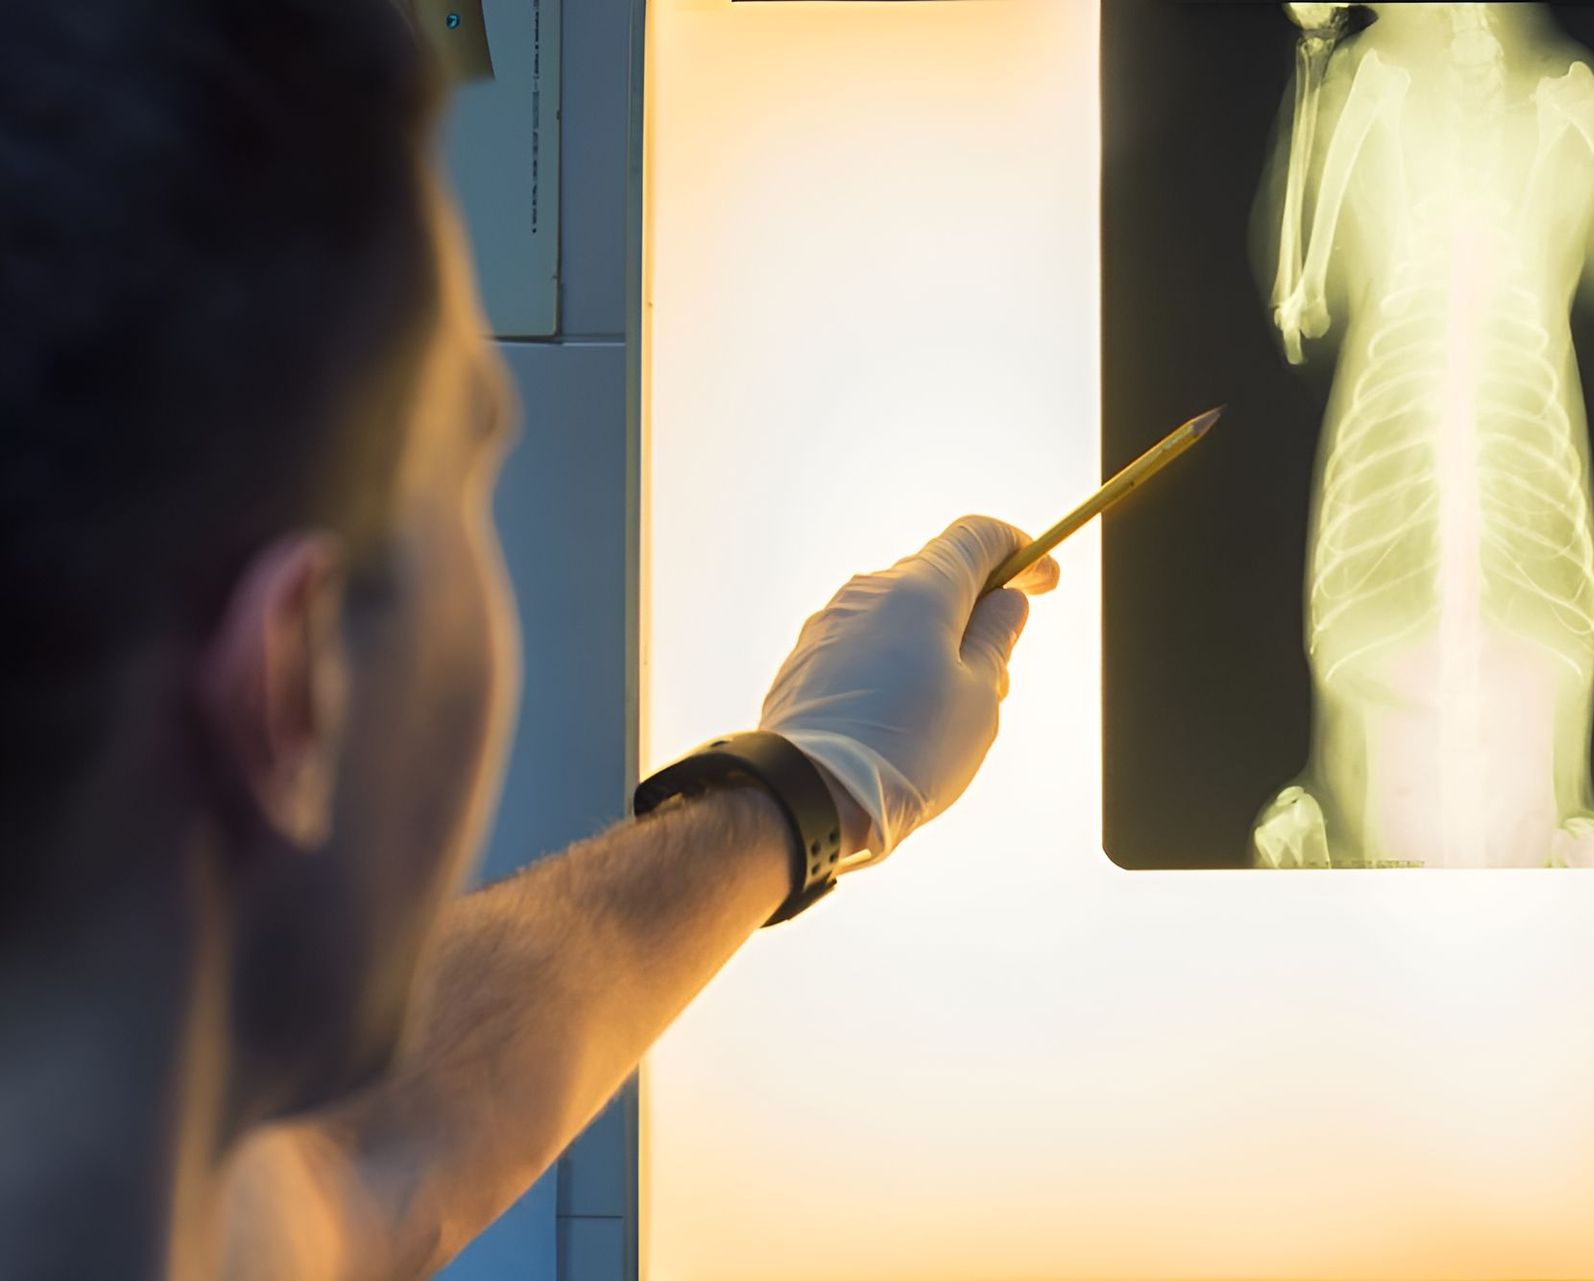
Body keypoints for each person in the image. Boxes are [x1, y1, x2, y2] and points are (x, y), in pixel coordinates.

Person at [0, 2, 1057, 1277]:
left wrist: (806, 785)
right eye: (472, 480)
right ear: (297, 676)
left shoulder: (145, 1191)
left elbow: (380, 1169)